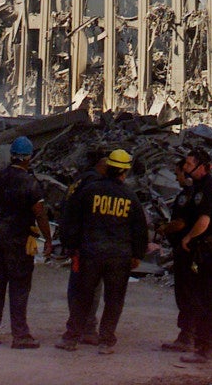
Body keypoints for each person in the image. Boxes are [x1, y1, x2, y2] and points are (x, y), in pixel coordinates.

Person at [56, 148, 148, 355]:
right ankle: (106, 341)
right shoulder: (130, 197)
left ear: (107, 168)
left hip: (91, 253)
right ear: (124, 172)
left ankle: (71, 337)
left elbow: (73, 220)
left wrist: (71, 246)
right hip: (119, 256)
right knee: (114, 299)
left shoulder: (89, 191)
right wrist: (137, 255)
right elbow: (140, 229)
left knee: (83, 296)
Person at [0, 135, 52, 348]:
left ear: (12, 155)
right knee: (19, 288)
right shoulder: (30, 183)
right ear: (28, 158)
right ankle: (20, 336)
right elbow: (40, 214)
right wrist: (48, 239)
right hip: (18, 243)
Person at [176, 146, 212, 364]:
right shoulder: (205, 187)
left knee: (204, 300)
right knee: (210, 299)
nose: (186, 168)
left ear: (202, 167)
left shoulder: (207, 188)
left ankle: (206, 348)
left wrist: (188, 238)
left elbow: (204, 221)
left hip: (208, 252)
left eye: (189, 164)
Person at [61, 148, 108, 344]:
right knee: (93, 286)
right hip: (88, 243)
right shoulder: (95, 184)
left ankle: (76, 324)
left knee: (76, 284)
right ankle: (86, 327)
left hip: (75, 242)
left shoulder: (79, 181)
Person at [159, 158, 196, 351]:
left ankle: (186, 336)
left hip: (185, 251)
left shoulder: (185, 196)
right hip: (198, 251)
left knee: (185, 293)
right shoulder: (203, 193)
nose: (175, 177)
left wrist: (164, 228)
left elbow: (180, 223)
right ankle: (195, 334)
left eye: (177, 173)